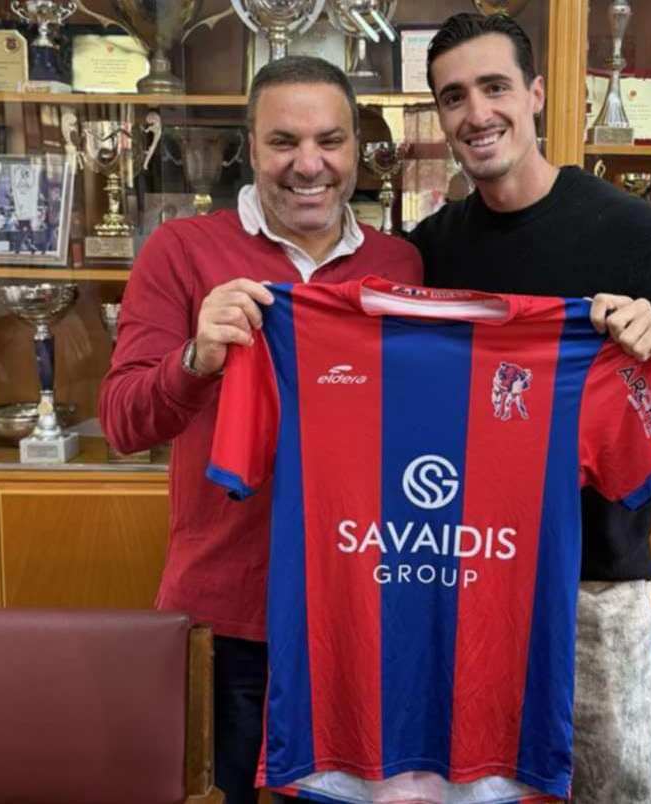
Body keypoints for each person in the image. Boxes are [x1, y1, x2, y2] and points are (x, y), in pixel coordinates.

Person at [408, 13, 651, 804]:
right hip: (464, 577)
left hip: (595, 591)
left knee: (615, 793)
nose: (477, 113)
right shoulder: (430, 249)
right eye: (454, 97)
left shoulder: (629, 233)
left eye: (495, 87)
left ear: (536, 94)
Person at [98, 56, 422, 804]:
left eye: (330, 140)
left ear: (357, 146)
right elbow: (121, 421)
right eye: (283, 141)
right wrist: (195, 358)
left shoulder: (401, 263)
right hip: (229, 615)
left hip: (364, 613)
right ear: (250, 146)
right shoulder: (182, 251)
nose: (308, 164)